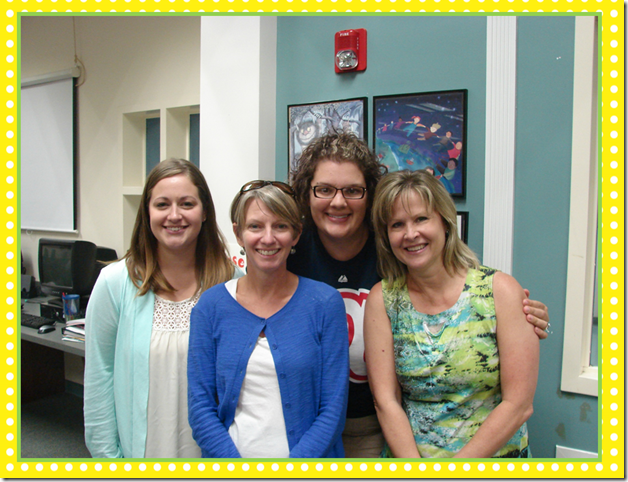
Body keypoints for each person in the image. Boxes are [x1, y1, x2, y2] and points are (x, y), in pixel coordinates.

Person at [288, 132, 550, 458]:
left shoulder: (401, 258)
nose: (338, 202)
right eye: (325, 189)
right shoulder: (291, 253)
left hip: (384, 433)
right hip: (307, 423)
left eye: (353, 190)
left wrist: (522, 314)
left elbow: (517, 400)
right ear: (307, 192)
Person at [364, 169, 539, 458]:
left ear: (445, 222)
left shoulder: (500, 291)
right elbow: (386, 401)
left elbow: (518, 405)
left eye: (421, 219)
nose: (410, 234)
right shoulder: (383, 300)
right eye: (397, 224)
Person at [83, 158, 237, 458]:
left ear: (205, 211)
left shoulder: (232, 284)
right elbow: (99, 379)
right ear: (147, 212)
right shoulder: (114, 283)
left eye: (187, 204)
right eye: (162, 204)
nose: (174, 215)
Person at [187, 180, 349, 458]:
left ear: (296, 234)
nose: (268, 238)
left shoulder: (325, 304)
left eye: (281, 226)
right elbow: (200, 408)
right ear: (238, 234)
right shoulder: (210, 307)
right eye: (255, 226)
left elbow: (333, 411)